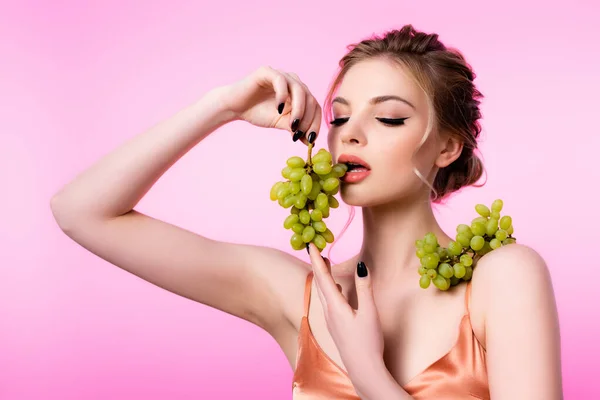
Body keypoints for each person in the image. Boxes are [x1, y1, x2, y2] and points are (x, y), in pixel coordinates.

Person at [50, 25, 562, 399]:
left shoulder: (502, 279)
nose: (350, 132)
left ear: (447, 147)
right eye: (340, 115)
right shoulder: (300, 294)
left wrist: (368, 374)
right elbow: (81, 212)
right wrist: (221, 106)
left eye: (387, 117)